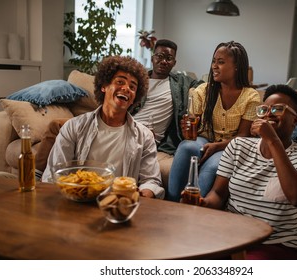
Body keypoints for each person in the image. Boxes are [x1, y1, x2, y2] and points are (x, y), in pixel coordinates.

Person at [35, 39, 204, 173]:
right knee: (56, 125)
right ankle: (37, 173)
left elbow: (205, 86)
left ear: (174, 62)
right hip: (122, 121)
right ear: (153, 58)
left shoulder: (180, 83)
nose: (164, 61)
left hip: (145, 134)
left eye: (169, 58)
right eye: (160, 56)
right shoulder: (137, 77)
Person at [199, 84, 297, 259]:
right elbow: (218, 193)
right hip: (229, 237)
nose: (268, 114)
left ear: (296, 120)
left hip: (275, 244)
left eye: (278, 109)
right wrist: (202, 205)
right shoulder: (238, 146)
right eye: (264, 109)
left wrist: (272, 140)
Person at [42, 55, 164, 199]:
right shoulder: (73, 127)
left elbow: (151, 181)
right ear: (104, 86)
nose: (126, 88)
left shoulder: (145, 137)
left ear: (134, 98)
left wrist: (142, 194)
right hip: (78, 201)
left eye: (132, 87)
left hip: (118, 206)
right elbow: (55, 174)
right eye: (120, 82)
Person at [167, 41, 261, 202]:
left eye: (221, 62)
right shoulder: (203, 91)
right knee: (187, 147)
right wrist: (187, 130)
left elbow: (243, 136)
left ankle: (192, 207)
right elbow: (193, 133)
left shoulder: (250, 97)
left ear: (237, 66)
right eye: (214, 61)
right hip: (204, 139)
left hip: (231, 146)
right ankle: (171, 201)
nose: (214, 66)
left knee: (214, 166)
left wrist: (217, 146)